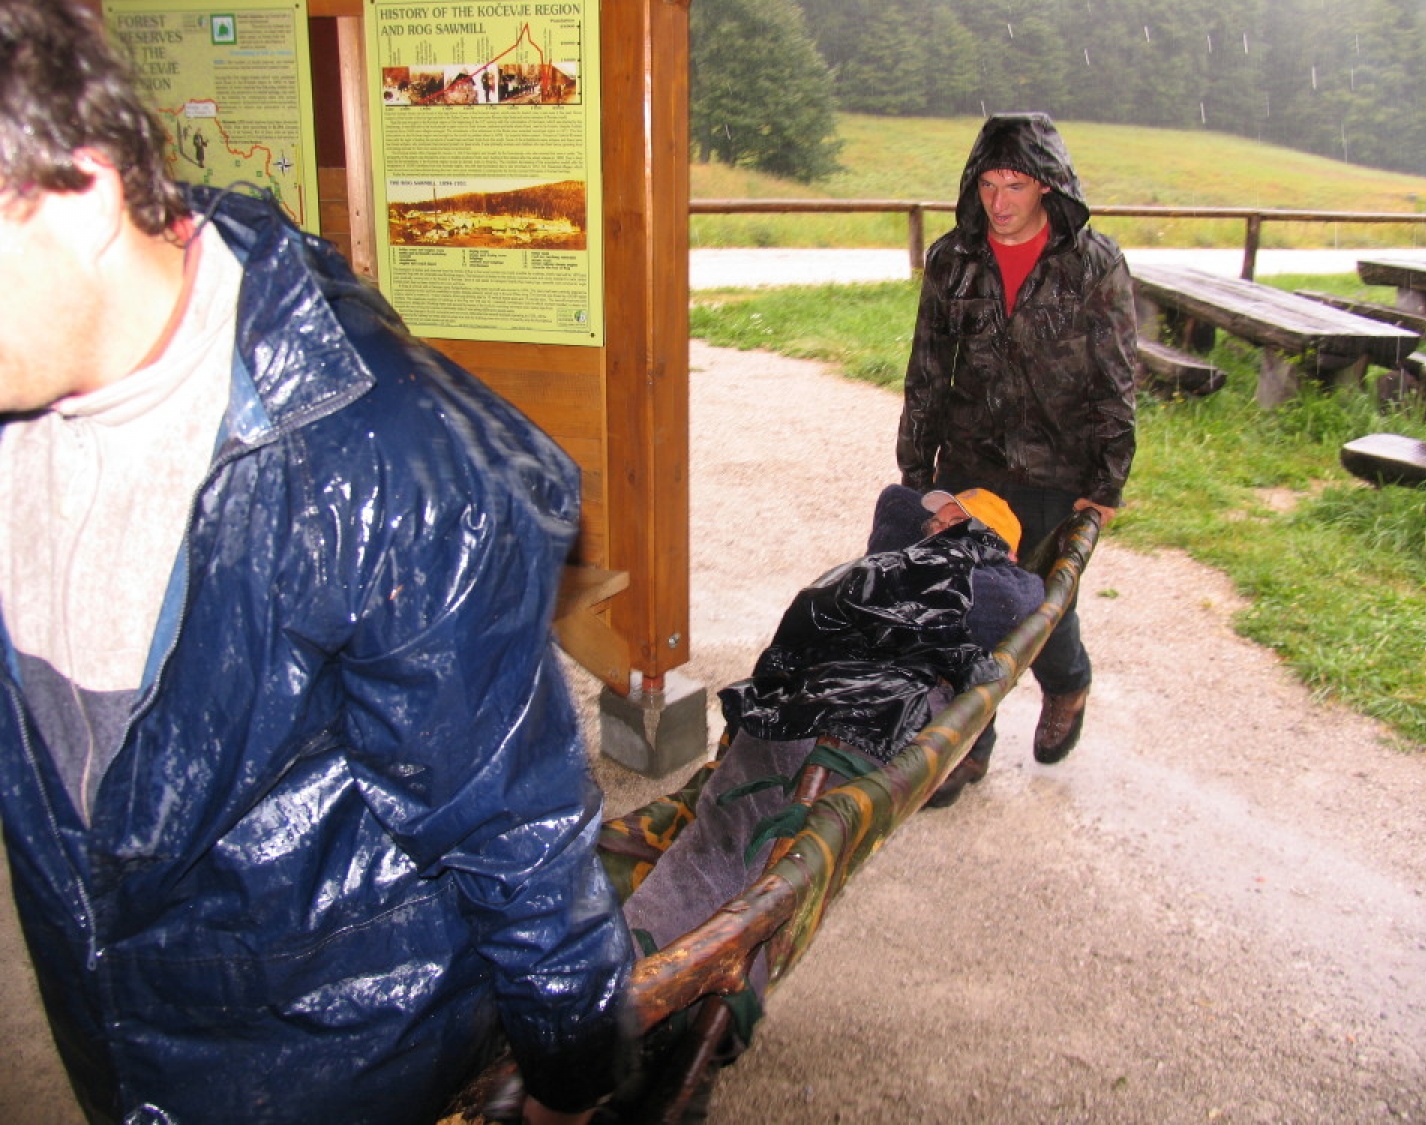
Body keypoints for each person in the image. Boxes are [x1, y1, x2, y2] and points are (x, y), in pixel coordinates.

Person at [0, 3, 633, 1123]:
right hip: (116, 1044)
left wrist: (573, 1073)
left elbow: (516, 821)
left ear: (80, 187)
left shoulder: (387, 467)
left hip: (338, 1067)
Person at [620, 487, 1043, 996]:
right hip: (809, 702)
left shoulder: (998, 590)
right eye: (935, 523)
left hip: (855, 727)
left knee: (752, 853)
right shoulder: (905, 565)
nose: (935, 528)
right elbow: (896, 501)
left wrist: (967, 543)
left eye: (958, 522)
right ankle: (639, 964)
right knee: (720, 836)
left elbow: (1019, 594)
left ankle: (652, 979)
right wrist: (944, 534)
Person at [896, 111, 1137, 793]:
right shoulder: (952, 260)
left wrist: (1108, 479)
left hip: (1057, 466)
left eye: (1017, 185)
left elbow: (1115, 378)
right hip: (971, 458)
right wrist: (918, 472)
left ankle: (1068, 682)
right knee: (964, 599)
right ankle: (969, 737)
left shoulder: (1094, 265)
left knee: (1037, 603)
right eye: (989, 185)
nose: (1000, 203)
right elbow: (926, 370)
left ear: (1048, 187)